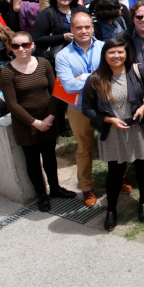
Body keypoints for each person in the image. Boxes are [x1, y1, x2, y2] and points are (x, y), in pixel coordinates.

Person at [80, 38, 144, 231]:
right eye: (112, 52)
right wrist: (109, 120)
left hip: (139, 129)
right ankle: (111, 209)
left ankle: (143, 201)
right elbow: (87, 108)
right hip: (114, 131)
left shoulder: (138, 70)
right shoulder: (95, 78)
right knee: (115, 173)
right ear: (105, 55)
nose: (116, 56)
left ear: (126, 54)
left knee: (143, 168)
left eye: (120, 52)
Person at [0, 31, 75, 212]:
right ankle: (42, 194)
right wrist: (34, 122)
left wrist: (50, 117)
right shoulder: (7, 72)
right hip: (25, 124)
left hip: (48, 120)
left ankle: (55, 188)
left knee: (50, 156)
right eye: (16, 46)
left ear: (32, 45)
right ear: (11, 48)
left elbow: (55, 90)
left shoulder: (43, 64)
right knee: (33, 161)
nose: (21, 49)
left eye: (25, 45)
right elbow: (11, 103)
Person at [55, 12, 104, 206]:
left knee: (111, 143)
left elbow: (111, 77)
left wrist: (82, 78)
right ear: (71, 30)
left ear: (92, 28)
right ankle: (86, 187)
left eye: (87, 27)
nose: (83, 31)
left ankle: (121, 177)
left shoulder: (104, 47)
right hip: (78, 107)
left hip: (104, 106)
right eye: (78, 27)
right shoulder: (63, 55)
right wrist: (96, 78)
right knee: (84, 148)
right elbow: (67, 86)